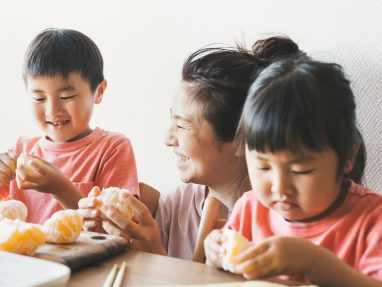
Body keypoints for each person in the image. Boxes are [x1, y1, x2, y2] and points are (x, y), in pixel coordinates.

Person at [80, 36, 304, 260]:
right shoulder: (177, 206)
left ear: (241, 139)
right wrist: (104, 237)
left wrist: (155, 257)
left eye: (181, 126)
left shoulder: (283, 220)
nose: (168, 139)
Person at [204, 57, 382, 286]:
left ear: (347, 157)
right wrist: (216, 256)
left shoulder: (371, 219)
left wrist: (314, 263)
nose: (279, 186)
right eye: (263, 167)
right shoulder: (250, 210)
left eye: (301, 170)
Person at [0, 28, 139, 224]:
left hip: (89, 255)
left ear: (98, 92)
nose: (52, 110)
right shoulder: (21, 150)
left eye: (66, 97)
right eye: (39, 98)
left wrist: (60, 188)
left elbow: (117, 228)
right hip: (23, 256)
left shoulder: (112, 148)